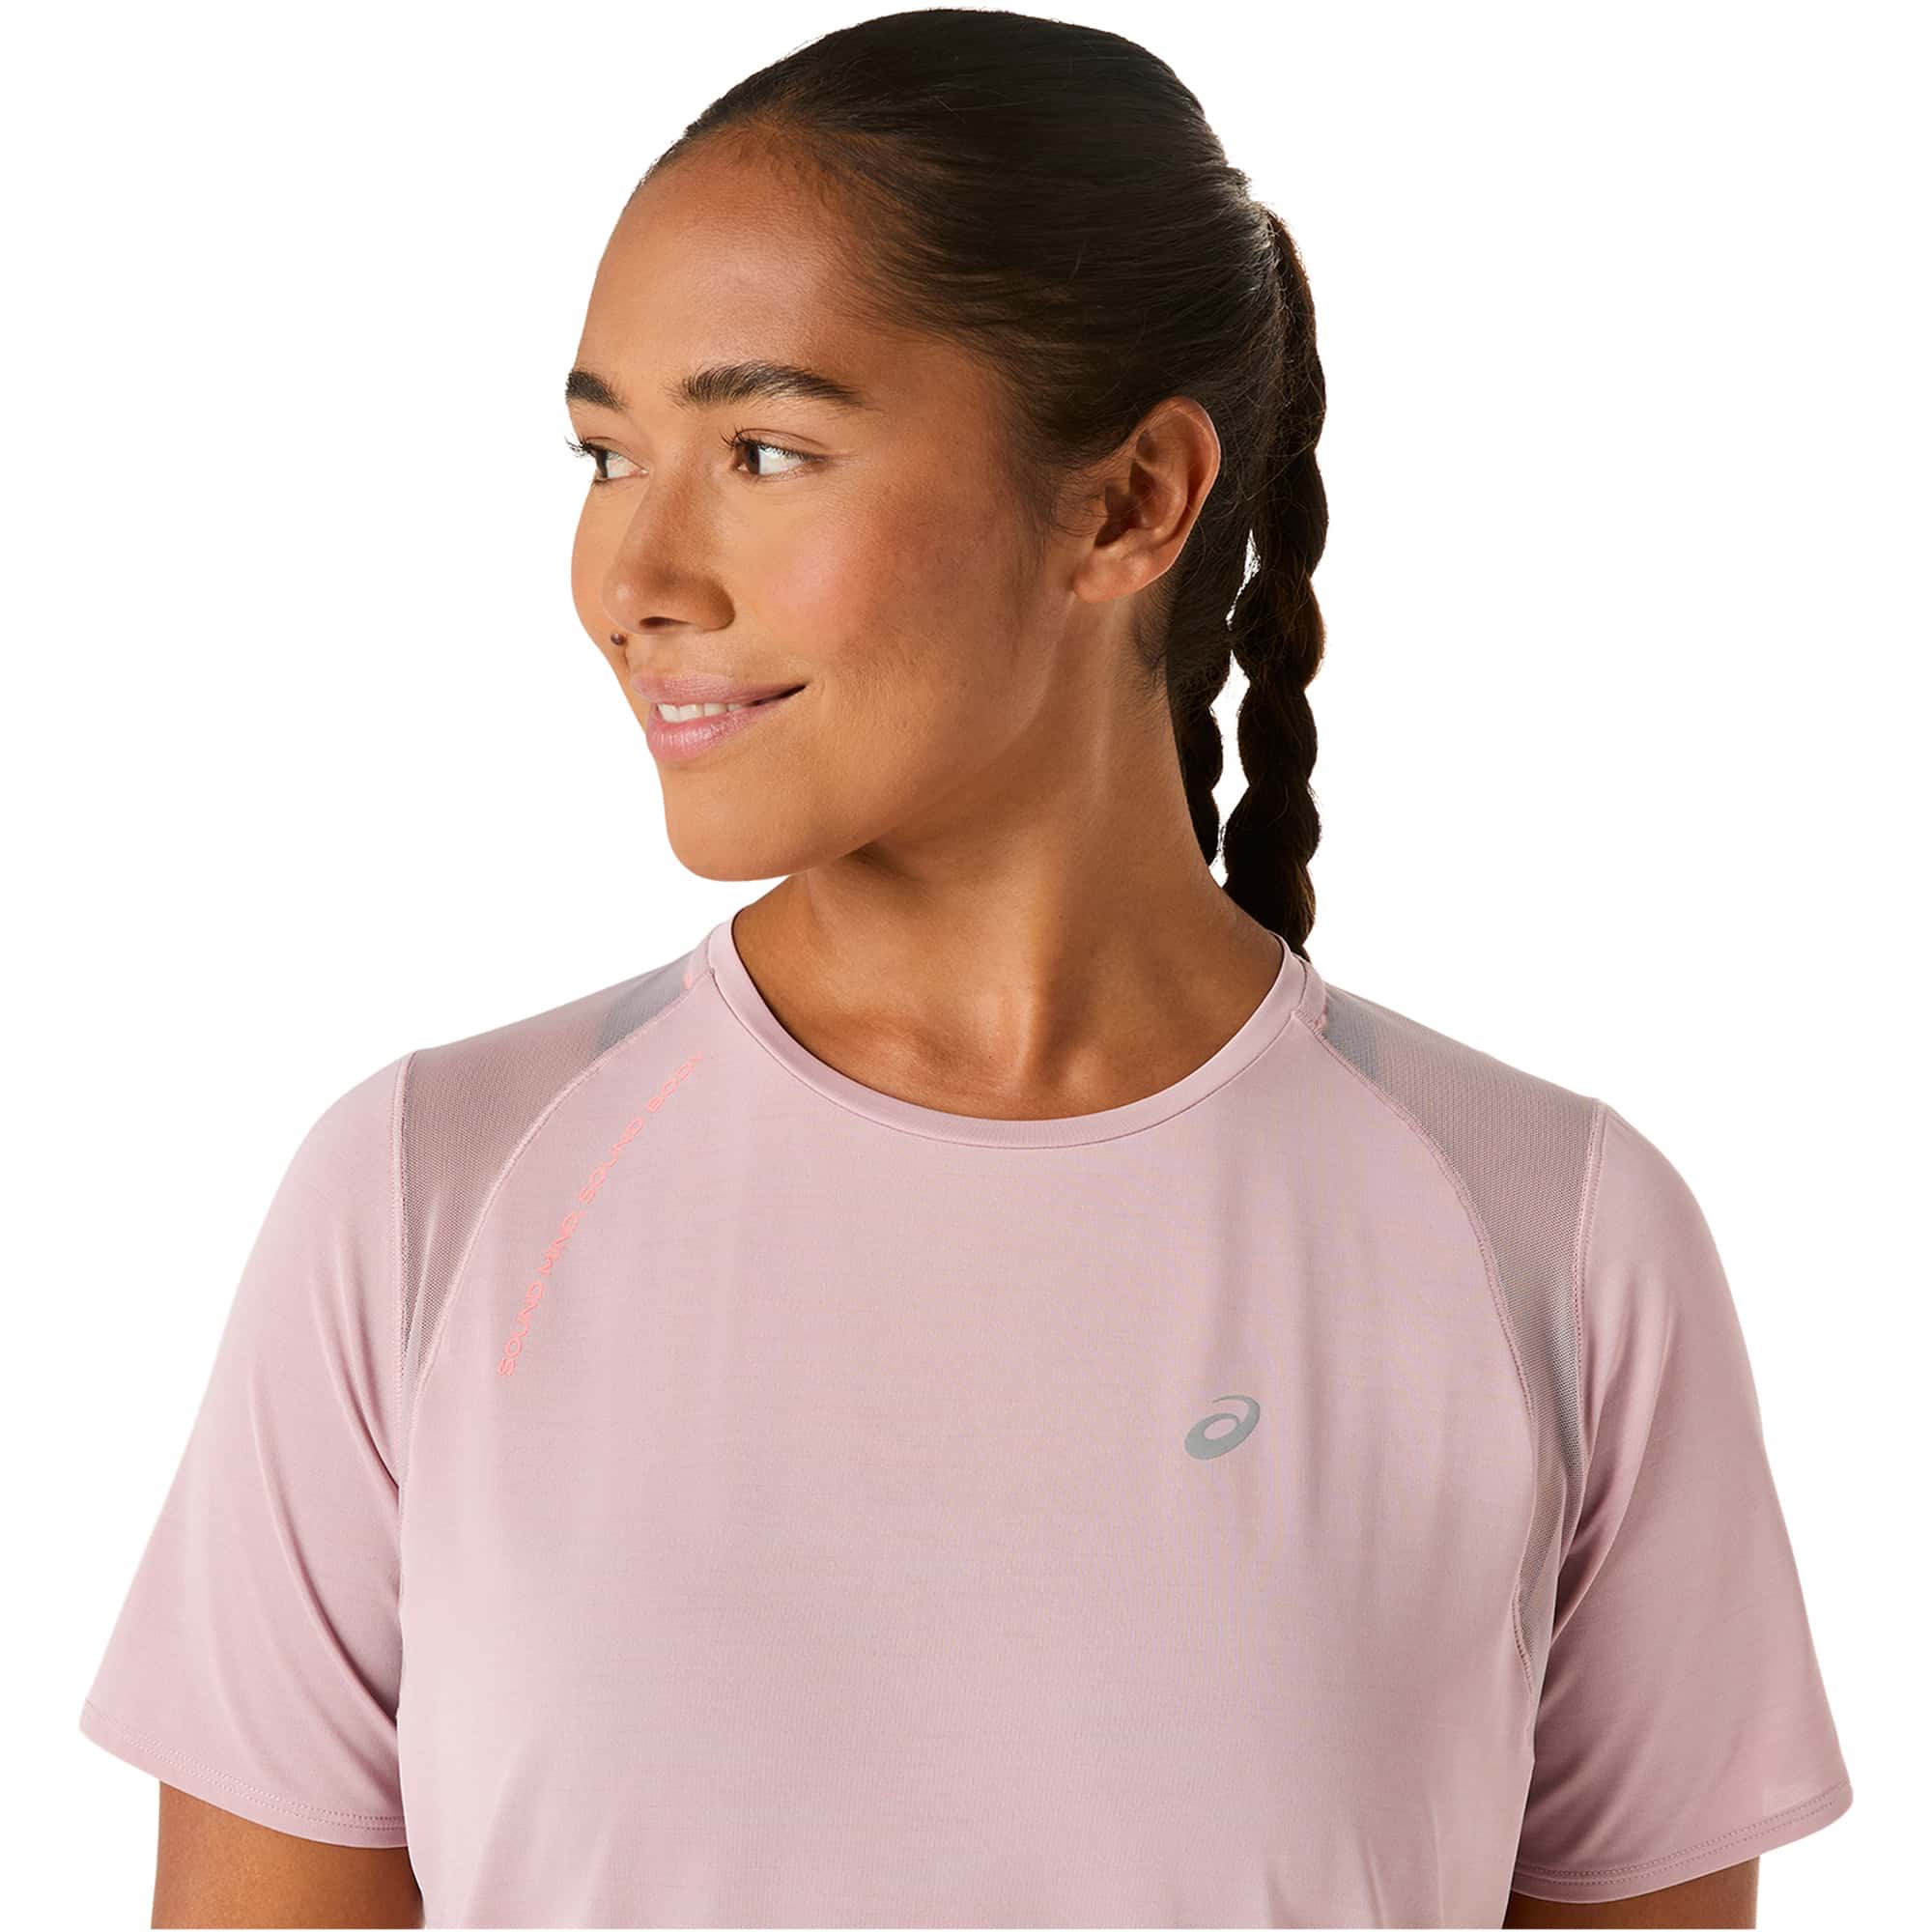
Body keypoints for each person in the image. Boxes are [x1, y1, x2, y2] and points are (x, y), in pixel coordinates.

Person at [76, 10, 1852, 1927]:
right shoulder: (429, 1200)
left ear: (1128, 502)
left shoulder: (1550, 1241)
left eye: (763, 450)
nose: (633, 578)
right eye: (604, 455)